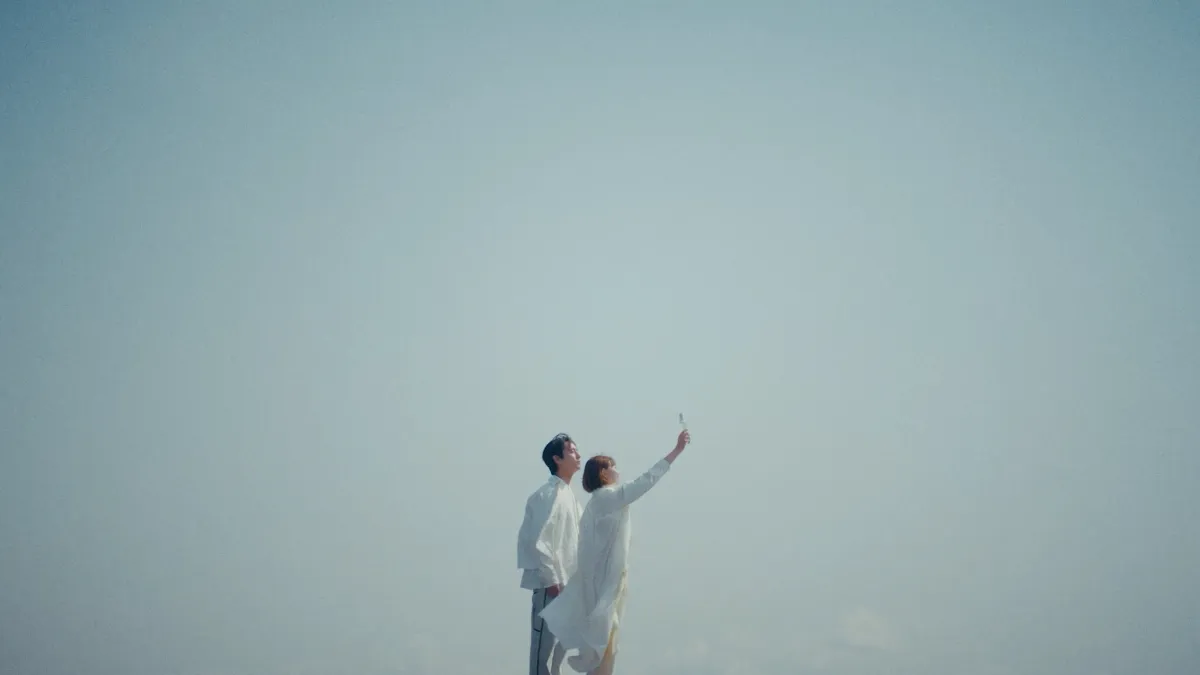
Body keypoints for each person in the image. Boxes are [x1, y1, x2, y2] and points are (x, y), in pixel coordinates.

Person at [538, 429, 691, 674]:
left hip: (602, 586)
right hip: (603, 588)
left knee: (603, 647)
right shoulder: (607, 498)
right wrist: (676, 451)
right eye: (612, 466)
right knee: (603, 648)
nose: (617, 470)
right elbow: (646, 481)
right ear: (603, 473)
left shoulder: (597, 504)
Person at [518, 433, 584, 675]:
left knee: (559, 653)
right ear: (557, 458)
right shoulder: (548, 494)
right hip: (551, 588)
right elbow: (540, 541)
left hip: (567, 588)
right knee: (542, 654)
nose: (578, 455)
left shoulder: (570, 497)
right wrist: (552, 583)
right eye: (572, 451)